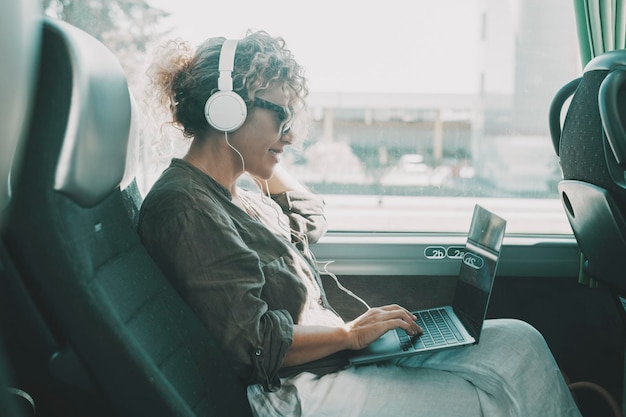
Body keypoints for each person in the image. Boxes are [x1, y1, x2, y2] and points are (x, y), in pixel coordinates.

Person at [139, 31, 582, 417]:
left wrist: (260, 151)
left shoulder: (241, 195)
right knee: (483, 400)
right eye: (282, 117)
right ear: (228, 110)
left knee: (520, 343)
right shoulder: (185, 207)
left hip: (328, 361)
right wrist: (350, 335)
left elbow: (309, 212)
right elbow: (255, 343)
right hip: (291, 390)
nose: (291, 136)